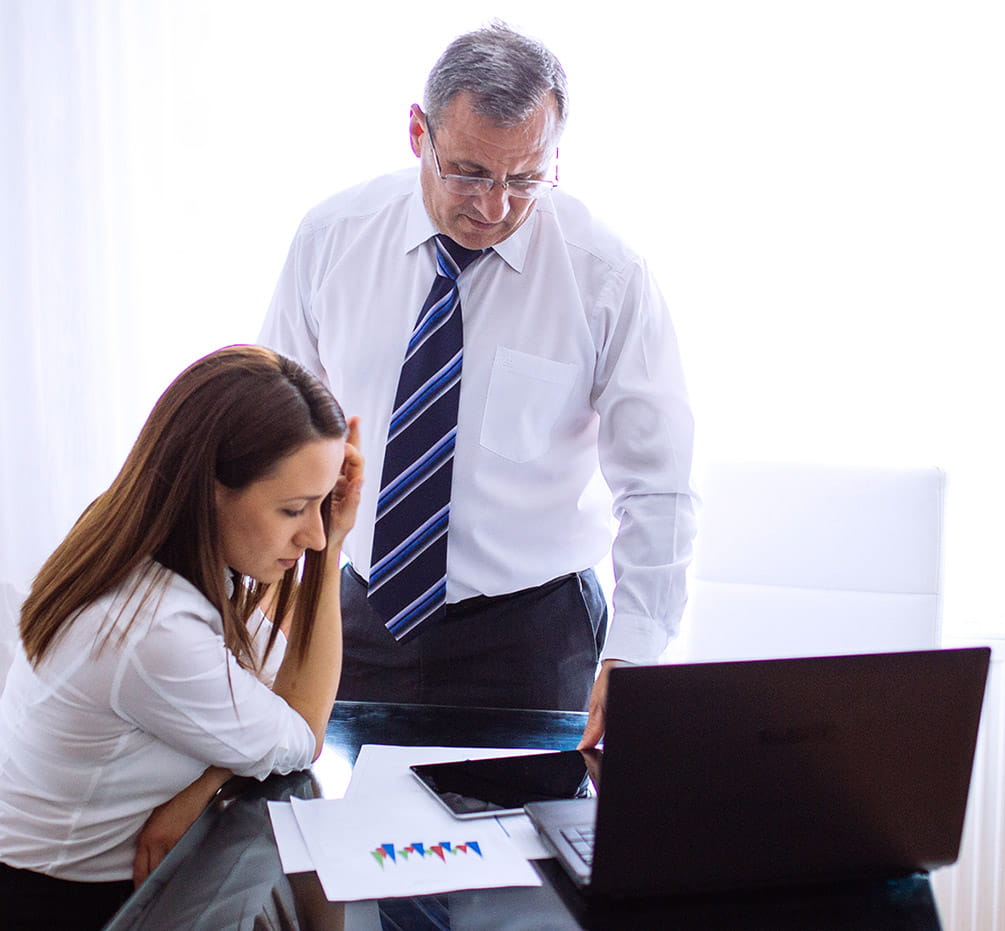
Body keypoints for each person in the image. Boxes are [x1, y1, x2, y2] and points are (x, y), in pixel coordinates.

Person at [259, 21, 696, 746]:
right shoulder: (332, 239)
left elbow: (660, 486)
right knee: (339, 845)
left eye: (524, 179)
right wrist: (258, 613)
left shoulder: (607, 276)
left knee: (530, 855)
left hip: (532, 637)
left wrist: (636, 653)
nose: (493, 207)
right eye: (468, 171)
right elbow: (270, 432)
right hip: (354, 614)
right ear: (417, 132)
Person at [0, 345, 363, 930]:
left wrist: (208, 779)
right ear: (210, 488)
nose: (316, 536)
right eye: (295, 509)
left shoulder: (149, 547)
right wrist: (336, 554)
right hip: (65, 904)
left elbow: (271, 687)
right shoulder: (152, 629)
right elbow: (302, 733)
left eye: (326, 508)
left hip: (93, 876)